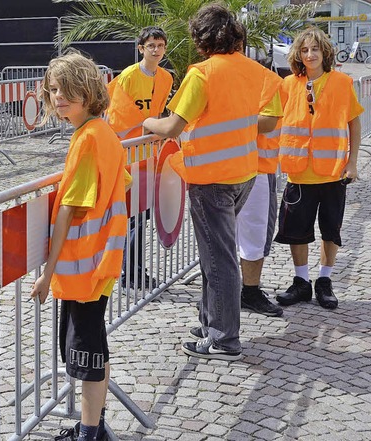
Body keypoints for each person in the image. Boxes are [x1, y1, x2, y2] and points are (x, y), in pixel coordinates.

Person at [142, 4, 281, 361]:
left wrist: (148, 124)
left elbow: (173, 125)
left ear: (202, 39)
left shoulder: (201, 74)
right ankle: (210, 321)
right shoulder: (254, 71)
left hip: (210, 179)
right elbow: (269, 120)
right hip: (244, 174)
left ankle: (224, 339)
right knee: (213, 255)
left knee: (219, 259)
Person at [31, 51, 131, 441]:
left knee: (87, 352)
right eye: (53, 89)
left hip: (85, 269)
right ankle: (94, 425)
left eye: (67, 89)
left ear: (88, 92)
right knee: (92, 346)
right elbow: (124, 183)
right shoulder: (102, 133)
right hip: (100, 262)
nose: (58, 97)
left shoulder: (88, 139)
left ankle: (90, 433)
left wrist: (46, 272)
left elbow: (69, 210)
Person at [274, 27, 363, 310]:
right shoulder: (287, 84)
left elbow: (354, 123)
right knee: (295, 230)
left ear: (325, 52)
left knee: (330, 229)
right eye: (304, 50)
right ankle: (302, 282)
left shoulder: (342, 82)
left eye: (314, 49)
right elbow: (272, 121)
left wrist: (352, 162)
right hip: (298, 171)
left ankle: (324, 280)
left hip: (333, 170)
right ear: (298, 55)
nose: (310, 55)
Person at [106, 26, 173, 291]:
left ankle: (133, 269)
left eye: (160, 45)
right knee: (132, 216)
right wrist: (152, 125)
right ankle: (129, 271)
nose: (156, 50)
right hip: (128, 154)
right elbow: (118, 120)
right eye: (151, 46)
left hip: (148, 154)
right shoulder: (128, 77)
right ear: (141, 49)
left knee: (141, 215)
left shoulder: (166, 78)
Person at [235, 24, 284, 318]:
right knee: (228, 238)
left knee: (253, 235)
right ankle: (229, 296)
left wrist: (230, 119)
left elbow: (268, 121)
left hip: (256, 167)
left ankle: (249, 291)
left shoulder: (264, 78)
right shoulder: (204, 74)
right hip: (225, 169)